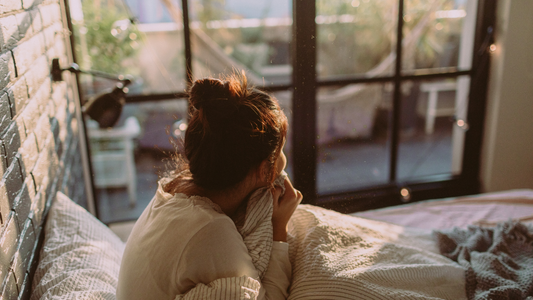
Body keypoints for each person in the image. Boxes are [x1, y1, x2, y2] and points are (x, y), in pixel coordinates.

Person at [117, 73, 303, 300]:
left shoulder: (171, 188)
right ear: (265, 169)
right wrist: (280, 227)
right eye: (281, 149)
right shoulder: (211, 231)